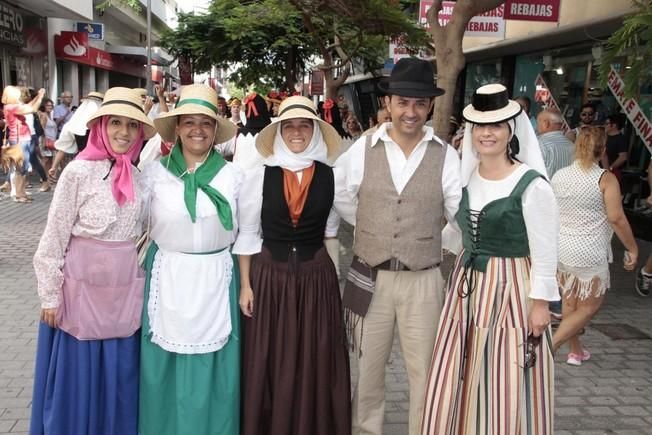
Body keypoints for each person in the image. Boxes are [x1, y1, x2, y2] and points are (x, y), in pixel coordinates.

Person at [421, 83, 559, 435]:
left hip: (511, 287)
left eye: (495, 125)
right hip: (466, 287)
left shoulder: (531, 184)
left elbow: (545, 249)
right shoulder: (466, 180)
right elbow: (458, 229)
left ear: (510, 131)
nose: (487, 133)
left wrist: (540, 303)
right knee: (461, 366)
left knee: (504, 370)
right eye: (480, 126)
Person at [334, 57, 461, 435]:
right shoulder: (363, 148)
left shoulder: (445, 153)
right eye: (403, 102)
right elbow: (341, 195)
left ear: (430, 106)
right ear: (388, 103)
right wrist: (372, 228)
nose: (411, 111)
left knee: (424, 372)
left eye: (420, 104)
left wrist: (437, 241)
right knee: (368, 369)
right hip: (369, 273)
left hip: (422, 279)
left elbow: (457, 213)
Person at [30, 87, 155, 435]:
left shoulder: (141, 178)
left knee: (118, 377)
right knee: (79, 377)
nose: (123, 133)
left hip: (121, 293)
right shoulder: (78, 173)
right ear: (100, 125)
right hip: (79, 292)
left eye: (132, 126)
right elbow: (53, 236)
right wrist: (49, 295)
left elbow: (146, 234)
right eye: (115, 122)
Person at [234, 95, 351, 435]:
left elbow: (331, 232)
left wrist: (335, 284)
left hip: (317, 278)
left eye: (304, 125)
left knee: (315, 358)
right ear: (279, 131)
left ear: (314, 130)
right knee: (271, 359)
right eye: (289, 126)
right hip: (270, 276)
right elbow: (248, 235)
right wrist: (246, 285)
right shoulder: (258, 175)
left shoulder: (332, 176)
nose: (297, 132)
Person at [138, 84, 240, 435]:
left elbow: (247, 236)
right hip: (167, 277)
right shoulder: (154, 175)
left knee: (215, 373)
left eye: (206, 123)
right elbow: (133, 224)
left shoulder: (233, 176)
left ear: (215, 130)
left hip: (216, 281)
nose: (198, 129)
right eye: (189, 122)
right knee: (165, 370)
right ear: (177, 128)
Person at [551, 126, 638, 365]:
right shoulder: (605, 178)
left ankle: (575, 352)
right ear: (603, 150)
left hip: (563, 247)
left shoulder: (560, 175)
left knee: (570, 302)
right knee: (589, 307)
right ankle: (552, 345)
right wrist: (632, 248)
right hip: (589, 250)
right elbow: (617, 218)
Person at [1, 85, 45, 203]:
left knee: (22, 167)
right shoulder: (11, 107)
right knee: (21, 168)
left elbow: (29, 106)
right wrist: (40, 97)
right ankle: (19, 194)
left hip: (21, 138)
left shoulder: (10, 106)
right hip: (20, 139)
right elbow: (32, 109)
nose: (19, 95)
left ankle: (21, 193)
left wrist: (37, 97)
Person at [50, 92, 104, 178]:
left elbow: (62, 148)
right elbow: (62, 148)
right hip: (99, 165)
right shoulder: (105, 124)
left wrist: (54, 167)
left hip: (83, 163)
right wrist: (54, 167)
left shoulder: (74, 124)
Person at [537, 108, 575, 178]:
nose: (537, 126)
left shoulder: (539, 145)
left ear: (546, 123)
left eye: (538, 122)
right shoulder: (573, 145)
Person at [601, 113, 628, 181]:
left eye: (607, 124)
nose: (604, 126)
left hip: (613, 172)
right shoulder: (605, 137)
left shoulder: (620, 139)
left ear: (614, 125)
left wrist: (610, 168)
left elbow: (623, 157)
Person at [37, 98, 56, 191]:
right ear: (43, 106)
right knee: (45, 161)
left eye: (51, 105)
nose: (50, 107)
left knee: (49, 161)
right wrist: (44, 142)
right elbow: (42, 129)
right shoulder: (44, 115)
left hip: (51, 141)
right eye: (48, 105)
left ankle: (48, 181)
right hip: (45, 140)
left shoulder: (49, 115)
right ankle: (43, 180)